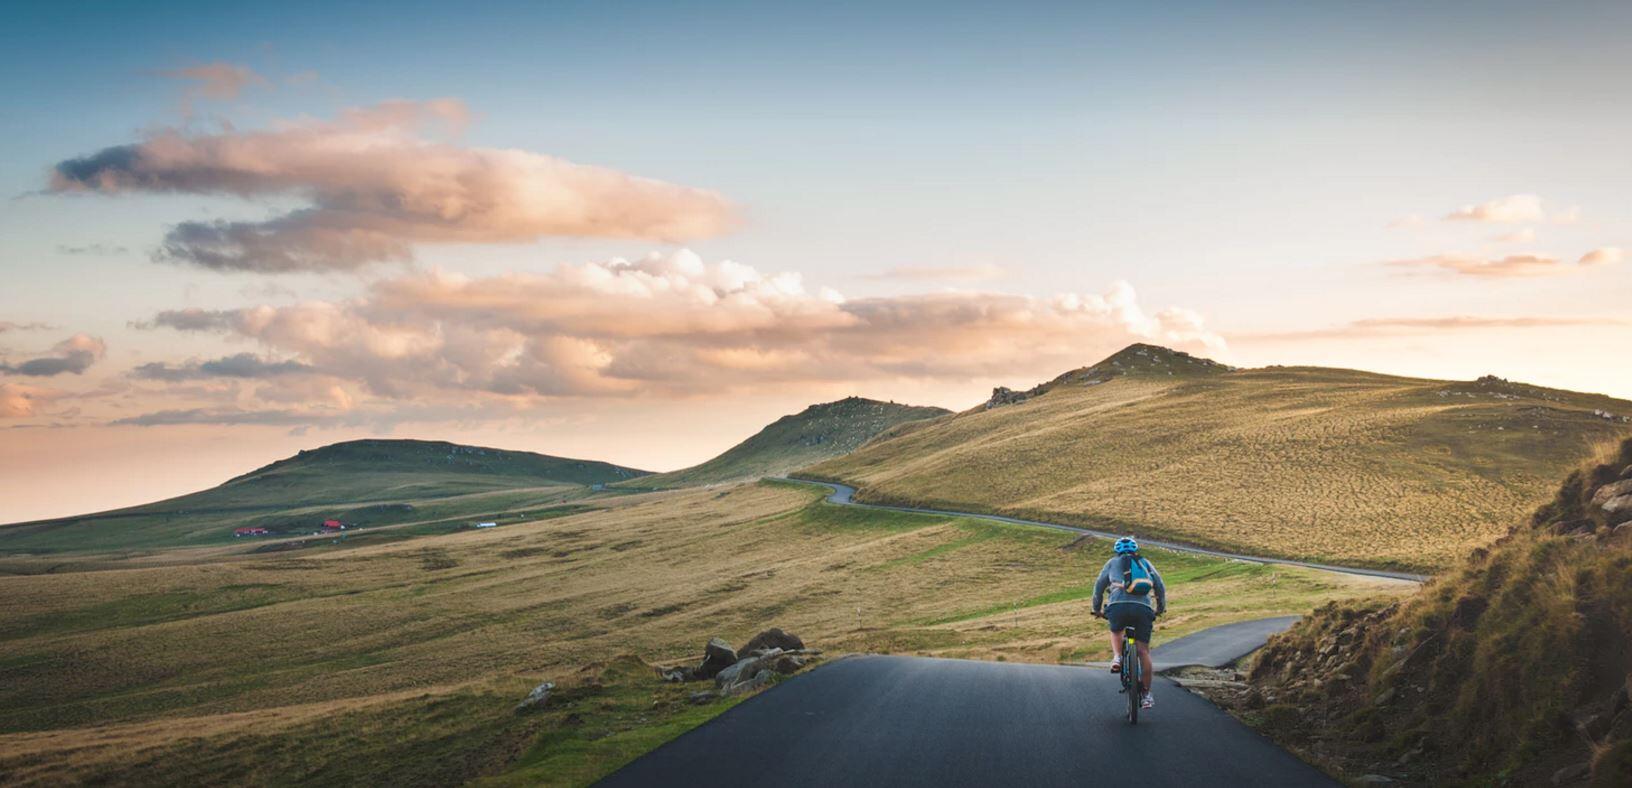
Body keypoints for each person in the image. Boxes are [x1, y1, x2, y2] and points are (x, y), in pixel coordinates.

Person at [1091, 536, 1166, 710]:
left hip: (1118, 606)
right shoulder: (1145, 563)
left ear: (1116, 551)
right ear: (1135, 550)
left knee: (1116, 630)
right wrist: (1160, 608)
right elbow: (1159, 586)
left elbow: (1099, 587)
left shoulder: (1111, 563)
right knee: (1143, 651)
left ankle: (1117, 657)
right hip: (1143, 608)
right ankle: (1146, 695)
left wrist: (1096, 609)